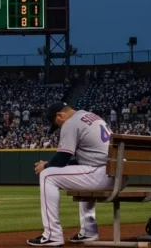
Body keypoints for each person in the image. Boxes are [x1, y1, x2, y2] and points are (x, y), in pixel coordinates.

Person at [26, 102, 114, 247]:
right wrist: (49, 164)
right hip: (116, 173)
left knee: (47, 175)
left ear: (60, 115)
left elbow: (61, 160)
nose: (59, 127)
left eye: (57, 124)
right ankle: (89, 232)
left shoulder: (70, 123)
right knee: (78, 173)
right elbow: (79, 162)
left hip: (102, 173)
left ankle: (52, 235)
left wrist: (46, 166)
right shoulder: (91, 116)